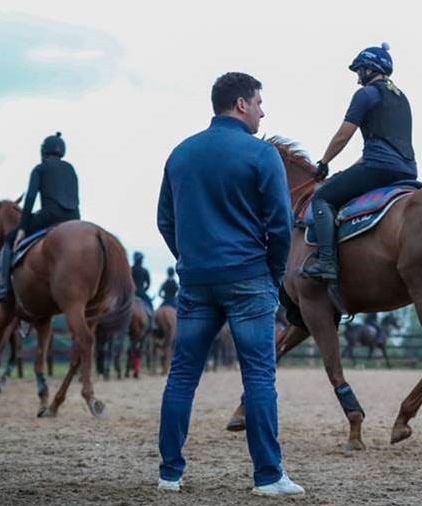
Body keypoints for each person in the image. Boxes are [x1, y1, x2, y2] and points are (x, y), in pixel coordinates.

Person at [155, 72, 302, 496]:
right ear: (241, 104)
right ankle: (268, 477)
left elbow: (165, 220)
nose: (262, 112)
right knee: (259, 377)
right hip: (248, 277)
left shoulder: (180, 154)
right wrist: (273, 273)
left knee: (182, 376)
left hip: (196, 281)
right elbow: (281, 223)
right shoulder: (262, 154)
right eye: (258, 103)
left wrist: (190, 259)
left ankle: (169, 474)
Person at [302, 43, 417, 281]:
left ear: (370, 69)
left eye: (359, 71)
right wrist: (350, 169)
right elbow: (385, 143)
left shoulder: (366, 94)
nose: (357, 79)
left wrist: (324, 162)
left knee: (322, 197)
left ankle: (327, 262)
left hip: (378, 168)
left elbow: (343, 135)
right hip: (407, 170)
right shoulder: (401, 98)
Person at [0, 132, 80, 301]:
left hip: (49, 216)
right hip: (74, 219)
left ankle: (4, 287)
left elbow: (31, 198)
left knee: (9, 239)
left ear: (43, 151)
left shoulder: (40, 169)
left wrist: (22, 228)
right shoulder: (70, 169)